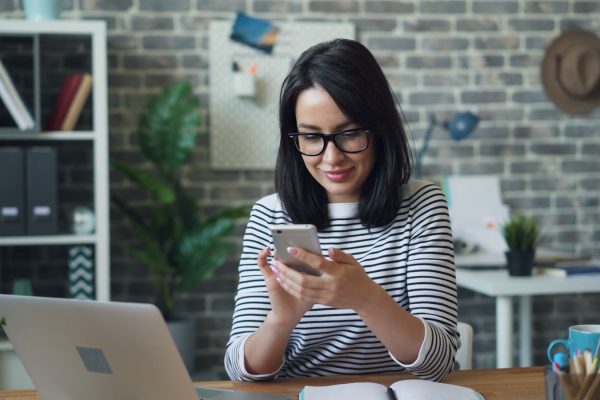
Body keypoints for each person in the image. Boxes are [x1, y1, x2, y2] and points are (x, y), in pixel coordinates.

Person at [224, 38, 458, 382]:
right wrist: (281, 320)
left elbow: (439, 364)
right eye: (311, 137)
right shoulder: (270, 214)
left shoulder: (422, 206)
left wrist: (366, 298)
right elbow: (239, 371)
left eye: (349, 135)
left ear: (380, 131)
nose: (331, 158)